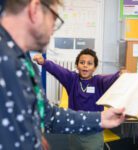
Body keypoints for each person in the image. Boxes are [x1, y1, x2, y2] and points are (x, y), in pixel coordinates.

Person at [0, 0, 125, 149]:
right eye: (54, 19)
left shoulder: (25, 63)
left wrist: (35, 135)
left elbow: (46, 115)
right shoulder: (6, 62)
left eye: (89, 63)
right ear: (34, 10)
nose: (53, 29)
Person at [33, 48, 122, 150]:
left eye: (89, 63)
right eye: (82, 62)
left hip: (93, 132)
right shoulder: (72, 80)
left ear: (94, 67)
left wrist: (119, 75)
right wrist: (44, 62)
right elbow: (58, 70)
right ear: (77, 65)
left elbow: (110, 79)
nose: (85, 65)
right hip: (75, 131)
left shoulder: (98, 81)